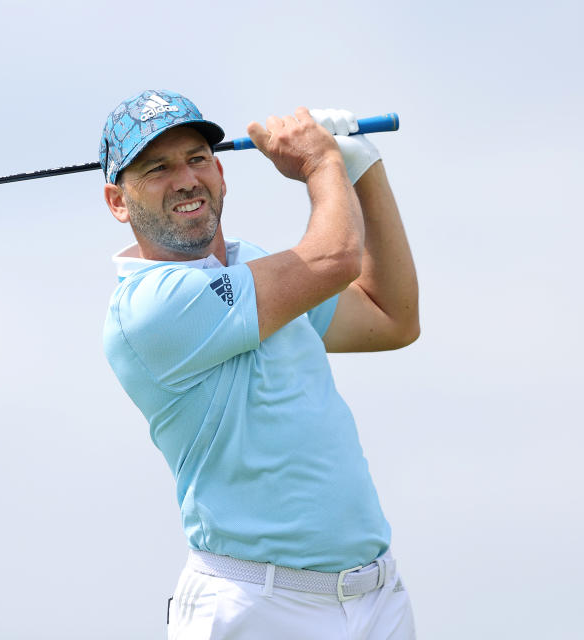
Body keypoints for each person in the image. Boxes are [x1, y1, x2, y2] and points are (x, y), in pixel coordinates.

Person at [100, 89, 419, 639]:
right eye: (156, 168)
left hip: (375, 600)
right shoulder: (151, 308)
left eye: (197, 159)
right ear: (118, 202)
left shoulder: (256, 269)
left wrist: (363, 168)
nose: (184, 179)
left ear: (221, 172)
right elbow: (335, 258)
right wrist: (322, 163)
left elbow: (391, 317)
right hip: (256, 606)